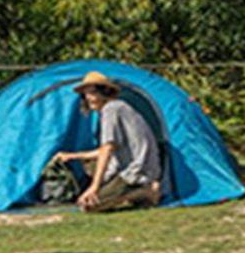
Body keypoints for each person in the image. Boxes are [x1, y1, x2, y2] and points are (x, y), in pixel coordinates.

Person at [51, 71, 162, 211]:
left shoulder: (111, 109)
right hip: (139, 168)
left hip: (136, 172)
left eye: (92, 93)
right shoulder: (117, 107)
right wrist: (72, 156)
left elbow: (107, 149)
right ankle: (132, 193)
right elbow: (109, 149)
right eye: (85, 94)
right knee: (89, 164)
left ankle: (145, 191)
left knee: (88, 207)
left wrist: (94, 188)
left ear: (104, 92)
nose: (89, 98)